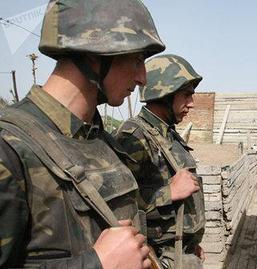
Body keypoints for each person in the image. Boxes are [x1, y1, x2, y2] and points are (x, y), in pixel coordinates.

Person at [0, 0, 165, 268]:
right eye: (136, 60)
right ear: (94, 53)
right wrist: (97, 264)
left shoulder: (99, 140)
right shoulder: (10, 147)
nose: (143, 78)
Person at [114, 54, 206, 269]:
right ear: (165, 93)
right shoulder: (135, 136)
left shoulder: (167, 133)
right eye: (186, 95)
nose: (191, 103)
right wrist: (169, 192)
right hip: (156, 257)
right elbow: (118, 207)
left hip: (180, 252)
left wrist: (191, 242)